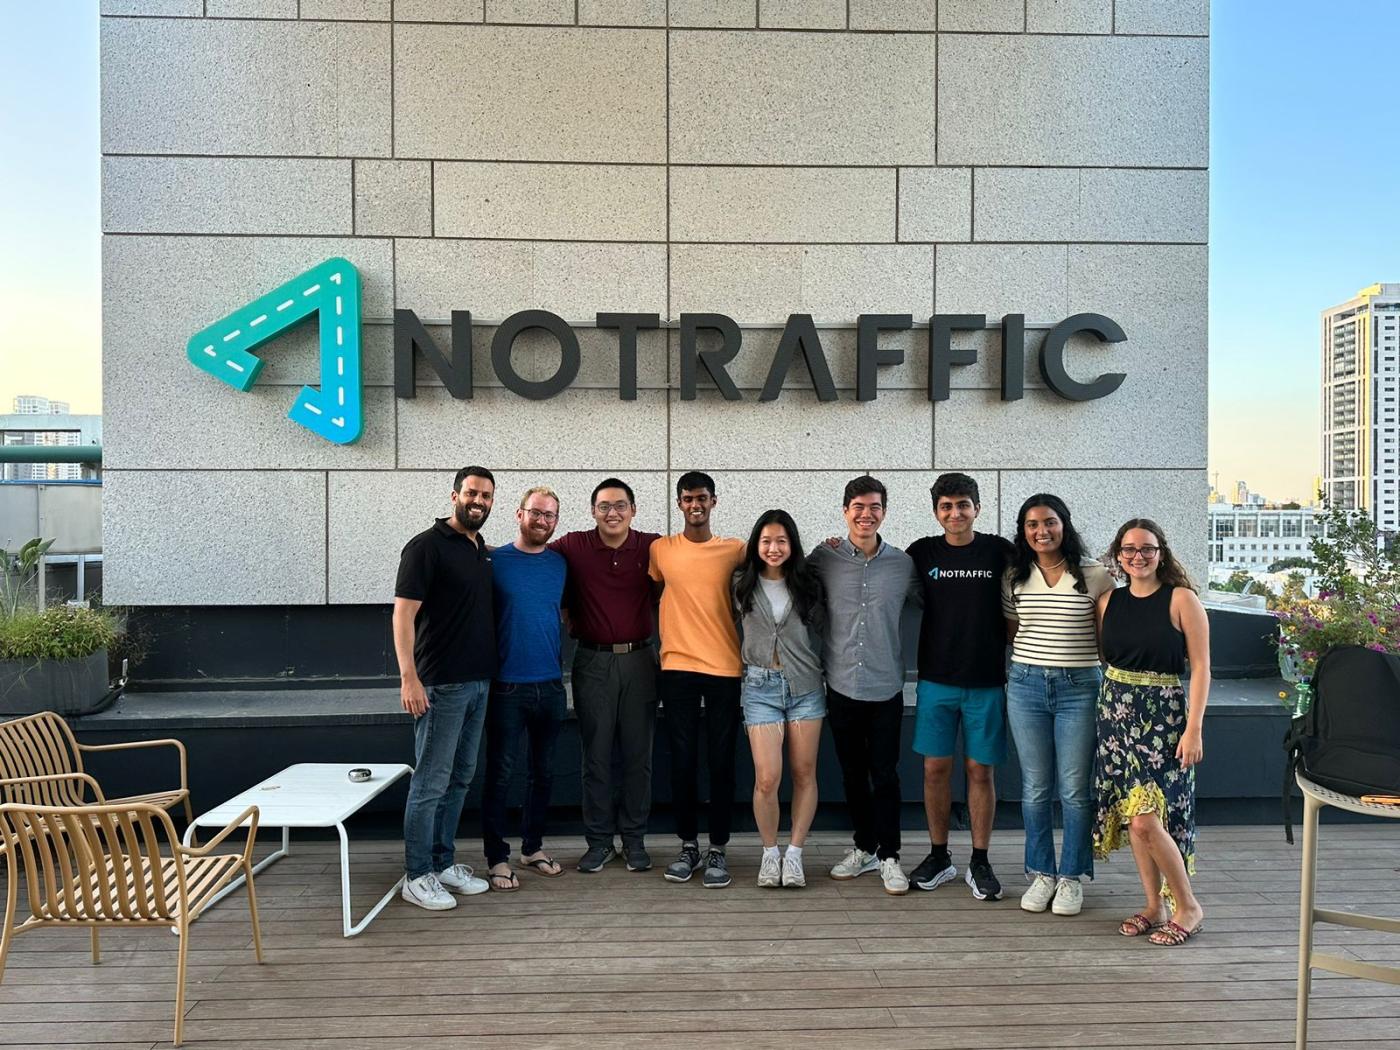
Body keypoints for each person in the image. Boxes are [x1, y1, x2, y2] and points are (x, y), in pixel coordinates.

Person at [1094, 518, 1209, 945]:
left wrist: (1193, 728)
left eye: (1146, 549)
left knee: (1148, 819)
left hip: (1163, 721)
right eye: (1129, 550)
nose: (1137, 557)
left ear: (1161, 552)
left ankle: (1188, 905)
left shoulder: (1181, 600)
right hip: (1115, 715)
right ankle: (1153, 904)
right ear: (1118, 555)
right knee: (1133, 817)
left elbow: (1201, 668)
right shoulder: (1107, 601)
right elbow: (1107, 657)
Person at [1002, 494, 1114, 913]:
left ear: (1064, 524)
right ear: (1023, 530)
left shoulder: (1095, 575)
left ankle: (1071, 877)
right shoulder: (1015, 574)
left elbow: (1107, 639)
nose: (1041, 531)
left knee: (1073, 789)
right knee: (1034, 788)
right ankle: (1041, 873)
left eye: (1049, 522)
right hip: (1026, 685)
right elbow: (1014, 631)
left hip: (1080, 686)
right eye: (1032, 524)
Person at [905, 473, 1014, 900]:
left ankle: (980, 860)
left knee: (979, 771)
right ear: (936, 512)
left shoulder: (999, 551)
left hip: (986, 680)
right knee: (935, 769)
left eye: (963, 505)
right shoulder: (920, 553)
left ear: (977, 508)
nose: (955, 513)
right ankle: (939, 855)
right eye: (947, 506)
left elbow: (1043, 571)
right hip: (935, 679)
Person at [808, 475, 919, 895]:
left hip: (886, 686)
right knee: (852, 774)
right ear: (844, 511)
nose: (865, 514)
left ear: (884, 513)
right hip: (839, 683)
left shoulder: (903, 565)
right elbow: (792, 582)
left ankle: (890, 855)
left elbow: (936, 603)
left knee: (885, 774)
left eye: (874, 507)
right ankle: (864, 848)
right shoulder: (825, 556)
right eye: (858, 507)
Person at [394, 466, 497, 910]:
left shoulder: (480, 550)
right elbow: (402, 615)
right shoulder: (425, 547)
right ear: (454, 494)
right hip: (441, 685)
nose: (478, 500)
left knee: (459, 779)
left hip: (478, 683)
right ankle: (417, 875)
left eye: (486, 495)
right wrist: (409, 677)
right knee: (430, 783)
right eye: (472, 492)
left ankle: (442, 863)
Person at [550, 478, 660, 874]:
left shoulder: (653, 546)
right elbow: (529, 553)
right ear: (592, 510)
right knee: (594, 756)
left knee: (638, 756)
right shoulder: (574, 545)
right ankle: (598, 842)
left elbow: (699, 562)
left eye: (620, 505)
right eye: (603, 506)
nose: (612, 513)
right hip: (592, 662)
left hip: (640, 660)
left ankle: (634, 840)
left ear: (633, 509)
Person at [650, 471, 747, 888]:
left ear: (714, 502)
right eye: (688, 498)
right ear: (679, 503)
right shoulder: (660, 550)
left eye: (702, 498)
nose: (696, 504)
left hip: (725, 667)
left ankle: (719, 849)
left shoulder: (736, 550)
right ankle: (688, 845)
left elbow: (779, 562)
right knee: (682, 761)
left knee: (722, 762)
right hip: (676, 667)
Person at [480, 486, 569, 891]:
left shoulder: (560, 564)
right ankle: (496, 858)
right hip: (507, 689)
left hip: (551, 685)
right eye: (535, 513)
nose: (542, 521)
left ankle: (531, 847)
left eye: (550, 516)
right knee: (500, 775)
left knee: (543, 774)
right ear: (519, 515)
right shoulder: (493, 561)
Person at [732, 509, 827, 889]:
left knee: (804, 773)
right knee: (767, 778)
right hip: (759, 688)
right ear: (756, 544)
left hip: (805, 687)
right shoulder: (740, 582)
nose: (774, 548)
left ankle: (795, 854)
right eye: (767, 540)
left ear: (792, 545)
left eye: (782, 541)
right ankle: (770, 852)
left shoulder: (807, 582)